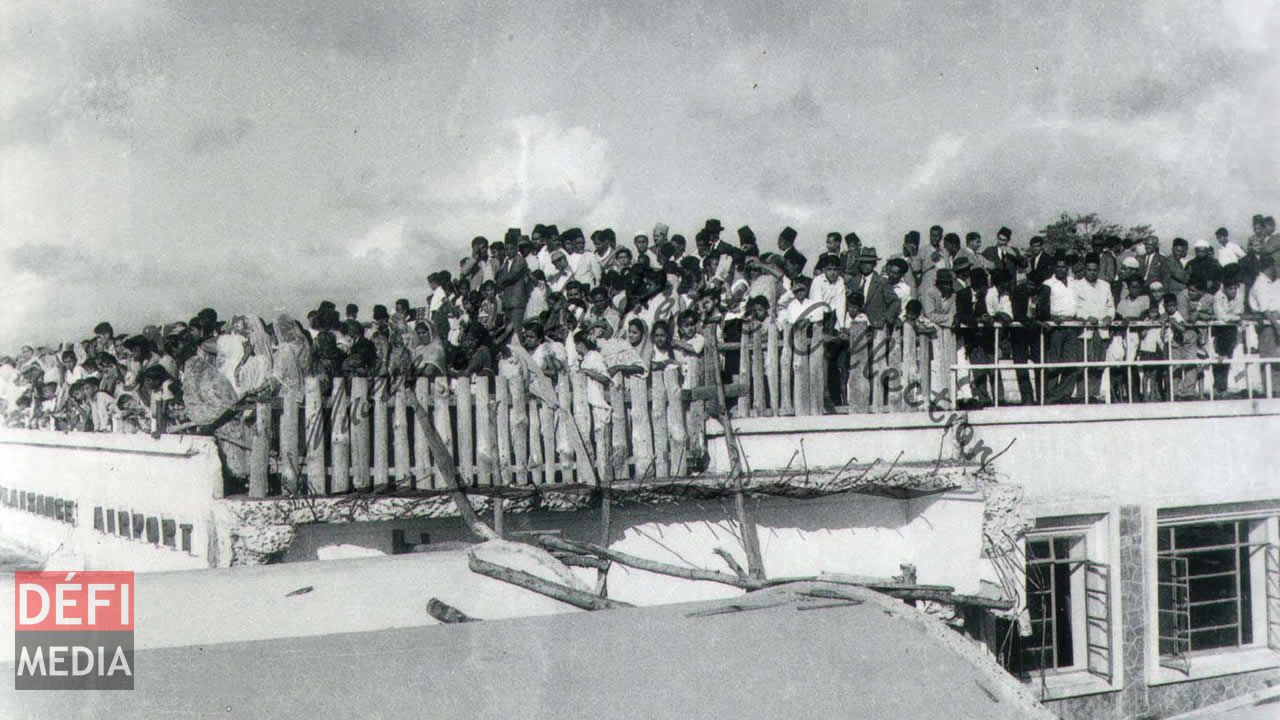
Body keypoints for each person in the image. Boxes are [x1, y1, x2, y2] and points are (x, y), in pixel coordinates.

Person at [1072, 253, 1116, 403]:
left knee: (1098, 365)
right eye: (1089, 270)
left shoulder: (1105, 285)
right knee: (1083, 364)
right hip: (1085, 331)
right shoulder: (1076, 285)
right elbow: (1074, 308)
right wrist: (1086, 317)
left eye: (1095, 270)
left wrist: (1109, 317)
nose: (1092, 273)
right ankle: (1082, 395)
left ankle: (1094, 394)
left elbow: (1111, 306)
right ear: (1085, 269)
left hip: (1102, 330)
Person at [1038, 254, 1081, 404]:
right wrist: (1051, 316)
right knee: (1053, 364)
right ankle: (1050, 395)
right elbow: (1041, 307)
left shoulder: (1074, 282)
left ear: (1067, 268)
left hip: (1072, 325)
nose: (1061, 269)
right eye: (1058, 267)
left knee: (1071, 363)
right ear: (1054, 268)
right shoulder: (1048, 284)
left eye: (1064, 267)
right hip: (1055, 327)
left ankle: (1061, 395)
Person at [1248, 254, 1280, 396]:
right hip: (1267, 326)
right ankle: (1270, 391)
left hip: (1275, 323)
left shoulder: (1273, 282)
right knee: (1268, 357)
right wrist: (1277, 327)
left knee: (1277, 359)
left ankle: (1277, 390)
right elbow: (1265, 310)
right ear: (1271, 266)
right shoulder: (1260, 284)